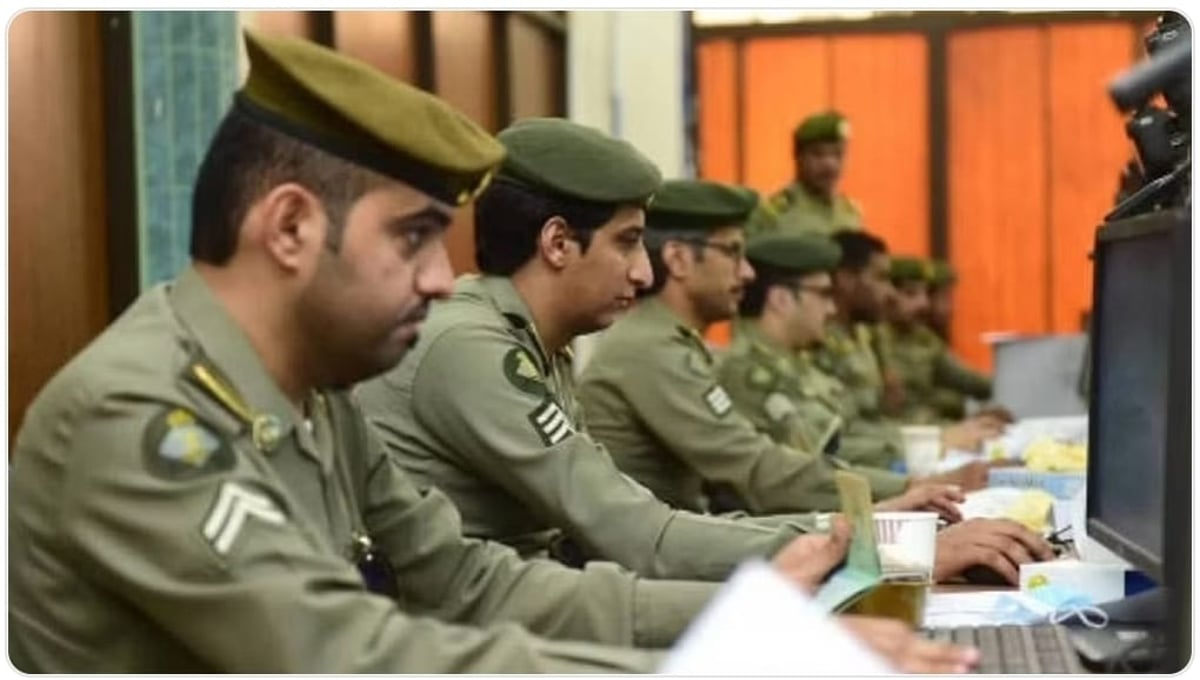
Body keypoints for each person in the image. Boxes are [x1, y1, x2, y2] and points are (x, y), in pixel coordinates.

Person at [7, 32, 845, 674]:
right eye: (412, 238)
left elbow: (471, 581)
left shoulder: (320, 397)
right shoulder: (138, 416)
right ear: (291, 228)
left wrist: (751, 619)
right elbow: (351, 653)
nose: (445, 280)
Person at [356, 118, 855, 583]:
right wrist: (848, 537)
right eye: (627, 243)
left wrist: (840, 529)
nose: (643, 272)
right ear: (557, 243)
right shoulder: (472, 347)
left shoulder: (537, 344)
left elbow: (619, 525)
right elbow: (636, 534)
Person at [576, 179, 964, 517]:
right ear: (679, 259)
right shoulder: (650, 349)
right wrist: (902, 489)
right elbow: (757, 470)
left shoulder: (669, 342)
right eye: (732, 252)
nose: (747, 273)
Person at [718, 233, 1052, 585]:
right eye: (824, 295)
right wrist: (908, 484)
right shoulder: (749, 372)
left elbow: (849, 432)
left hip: (820, 531)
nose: (831, 309)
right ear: (782, 299)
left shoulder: (793, 363)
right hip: (795, 543)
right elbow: (798, 468)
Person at [814, 230, 999, 472]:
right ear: (846, 279)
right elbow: (833, 441)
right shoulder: (817, 343)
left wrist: (941, 434)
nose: (889, 293)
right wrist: (935, 440)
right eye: (881, 278)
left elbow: (873, 421)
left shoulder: (863, 336)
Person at [878, 256, 995, 425]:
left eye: (925, 294)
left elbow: (967, 380)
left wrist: (1012, 385)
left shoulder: (924, 339)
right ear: (886, 295)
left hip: (927, 427)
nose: (923, 303)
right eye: (910, 294)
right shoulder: (872, 340)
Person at [744, 110, 864, 239]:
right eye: (818, 154)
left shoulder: (850, 213)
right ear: (798, 157)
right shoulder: (776, 213)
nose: (830, 164)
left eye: (838, 154)